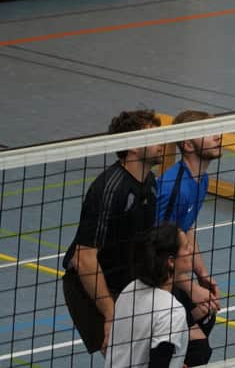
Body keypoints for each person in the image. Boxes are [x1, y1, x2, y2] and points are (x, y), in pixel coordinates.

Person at [63, 110, 164, 355]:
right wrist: (111, 314)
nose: (162, 142)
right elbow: (84, 260)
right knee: (126, 359)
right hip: (91, 287)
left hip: (126, 283)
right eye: (154, 137)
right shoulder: (110, 189)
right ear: (132, 146)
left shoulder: (150, 183)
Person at [157, 110, 221, 365]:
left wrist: (201, 274)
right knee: (198, 349)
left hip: (171, 272)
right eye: (208, 132)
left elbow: (187, 229)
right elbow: (157, 249)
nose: (218, 136)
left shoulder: (200, 179)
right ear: (188, 144)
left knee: (207, 314)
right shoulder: (173, 188)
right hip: (151, 276)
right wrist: (189, 287)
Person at [105, 224, 191, 368]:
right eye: (186, 247)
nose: (191, 250)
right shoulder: (171, 311)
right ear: (171, 261)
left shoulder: (130, 288)